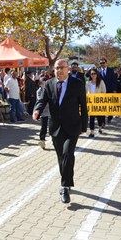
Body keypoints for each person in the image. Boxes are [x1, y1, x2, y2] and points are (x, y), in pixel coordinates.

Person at [33, 59, 88, 203]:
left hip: (72, 126)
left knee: (68, 153)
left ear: (68, 69)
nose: (59, 71)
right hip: (56, 127)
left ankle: (64, 186)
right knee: (61, 157)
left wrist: (84, 126)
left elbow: (84, 105)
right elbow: (42, 100)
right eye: (57, 68)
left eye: (62, 68)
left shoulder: (77, 84)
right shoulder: (50, 84)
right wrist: (37, 110)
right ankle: (67, 179)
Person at [86, 68, 106, 137]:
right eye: (92, 74)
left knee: (99, 117)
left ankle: (100, 127)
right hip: (91, 103)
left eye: (94, 73)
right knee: (91, 118)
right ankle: (92, 132)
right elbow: (86, 92)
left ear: (97, 74)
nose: (93, 75)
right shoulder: (88, 83)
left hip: (98, 103)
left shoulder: (101, 82)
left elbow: (104, 92)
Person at [98, 58, 117, 124]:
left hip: (110, 90)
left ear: (106, 63)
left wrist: (114, 89)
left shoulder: (111, 70)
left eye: (103, 63)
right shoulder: (98, 71)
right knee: (102, 106)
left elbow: (114, 80)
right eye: (101, 63)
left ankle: (109, 117)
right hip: (101, 91)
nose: (102, 64)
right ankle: (102, 121)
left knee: (110, 105)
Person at [35, 76, 50, 150]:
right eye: (42, 83)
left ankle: (55, 140)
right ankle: (42, 140)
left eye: (45, 83)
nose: (43, 85)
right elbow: (40, 101)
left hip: (51, 111)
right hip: (43, 111)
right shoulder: (39, 91)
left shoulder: (50, 89)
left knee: (52, 126)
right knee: (43, 127)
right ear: (40, 84)